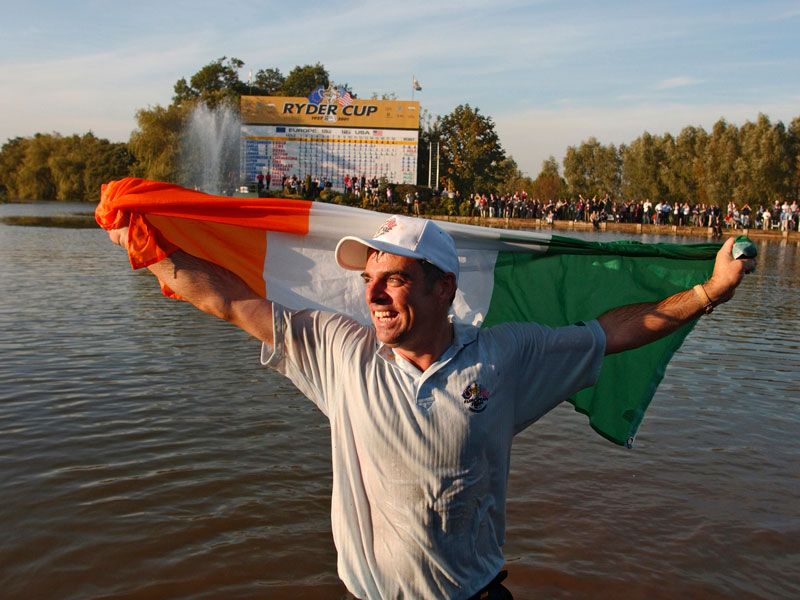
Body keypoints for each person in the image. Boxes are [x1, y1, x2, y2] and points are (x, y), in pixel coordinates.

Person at [108, 215, 753, 599]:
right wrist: (153, 251)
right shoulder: (340, 353)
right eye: (368, 280)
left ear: (445, 288)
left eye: (395, 278)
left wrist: (710, 290)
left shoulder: (504, 358)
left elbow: (613, 331)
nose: (376, 296)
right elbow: (228, 301)